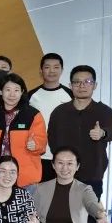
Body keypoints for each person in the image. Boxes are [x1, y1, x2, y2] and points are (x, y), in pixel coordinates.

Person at [48, 64, 112, 223]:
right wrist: (62, 164)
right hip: (64, 175)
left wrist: (103, 133)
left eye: (87, 82)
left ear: (94, 85)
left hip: (91, 175)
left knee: (88, 219)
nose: (82, 86)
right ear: (70, 85)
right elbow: (52, 139)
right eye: (77, 82)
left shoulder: (103, 111)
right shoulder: (60, 111)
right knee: (62, 218)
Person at [0, 73, 46, 189]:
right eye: (8, 90)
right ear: (0, 91)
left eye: (16, 90)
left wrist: (36, 144)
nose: (12, 94)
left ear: (22, 92)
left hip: (24, 176)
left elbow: (41, 140)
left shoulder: (32, 114)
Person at [27, 53, 73, 182]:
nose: (51, 71)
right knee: (38, 193)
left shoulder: (71, 95)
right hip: (37, 156)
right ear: (41, 70)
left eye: (56, 67)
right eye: (47, 67)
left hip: (63, 157)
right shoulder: (31, 95)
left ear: (62, 70)